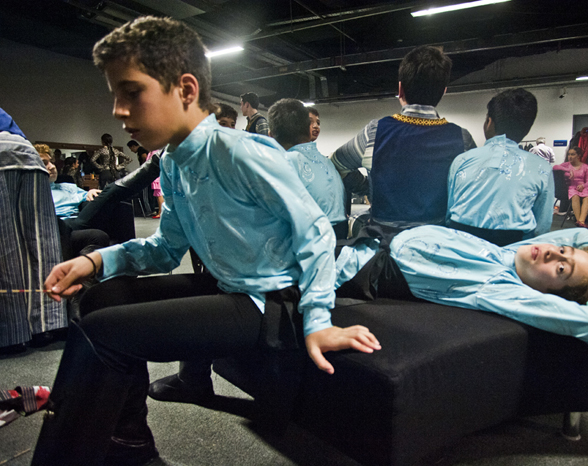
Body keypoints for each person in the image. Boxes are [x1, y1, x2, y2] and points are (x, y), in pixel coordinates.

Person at [32, 17, 379, 466]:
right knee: (99, 299)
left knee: (106, 334)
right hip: (228, 286)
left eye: (131, 92)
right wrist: (96, 262)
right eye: (115, 96)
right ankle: (130, 443)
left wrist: (318, 321)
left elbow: (314, 234)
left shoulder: (241, 151)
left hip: (273, 301)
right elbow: (165, 249)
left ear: (186, 89)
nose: (118, 111)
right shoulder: (173, 162)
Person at [335, 225, 588, 347]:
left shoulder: (502, 287)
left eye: (561, 268)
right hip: (358, 240)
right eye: (562, 250)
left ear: (549, 293)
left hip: (342, 268)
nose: (552, 252)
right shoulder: (514, 254)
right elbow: (581, 235)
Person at [330, 45, 476, 230]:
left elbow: (337, 163)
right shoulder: (462, 139)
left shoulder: (376, 131)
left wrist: (367, 187)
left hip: (385, 242)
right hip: (438, 240)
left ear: (400, 89)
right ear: (443, 91)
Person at [447, 88, 553, 246]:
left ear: (489, 122)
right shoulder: (542, 168)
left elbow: (449, 213)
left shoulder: (462, 160)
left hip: (462, 247)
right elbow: (542, 227)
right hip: (513, 249)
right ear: (527, 128)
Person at [0, 108, 66, 354]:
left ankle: (13, 333)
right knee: (41, 241)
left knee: (5, 247)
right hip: (27, 153)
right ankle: (46, 326)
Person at [268, 98, 346, 238]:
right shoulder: (327, 161)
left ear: (271, 135)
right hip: (340, 232)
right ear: (307, 129)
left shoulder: (287, 162)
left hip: (316, 238)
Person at [553, 146, 588, 228]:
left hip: (583, 187)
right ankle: (579, 221)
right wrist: (568, 170)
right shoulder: (566, 165)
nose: (570, 156)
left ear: (578, 156)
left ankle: (581, 221)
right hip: (571, 187)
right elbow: (555, 167)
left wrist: (583, 185)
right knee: (575, 196)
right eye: (569, 154)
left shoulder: (585, 167)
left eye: (572, 154)